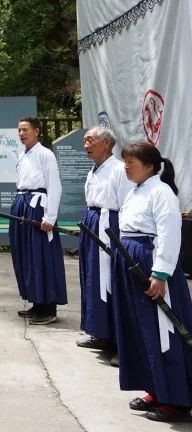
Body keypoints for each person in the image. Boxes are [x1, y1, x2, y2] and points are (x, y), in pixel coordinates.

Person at [114, 143, 192, 423]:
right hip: (130, 260)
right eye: (125, 161)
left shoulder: (161, 192)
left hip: (151, 265)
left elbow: (170, 235)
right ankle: (155, 388)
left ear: (149, 165)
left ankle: (177, 400)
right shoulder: (137, 190)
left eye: (131, 161)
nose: (125, 166)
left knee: (164, 331)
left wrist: (160, 274)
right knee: (140, 327)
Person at [77, 126, 131, 356]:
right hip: (93, 223)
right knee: (92, 278)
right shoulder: (94, 170)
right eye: (85, 141)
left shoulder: (119, 170)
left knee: (111, 280)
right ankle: (101, 333)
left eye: (91, 141)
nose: (86, 145)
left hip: (110, 226)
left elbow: (127, 204)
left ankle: (121, 342)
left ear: (107, 145)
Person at [9, 117, 67, 325]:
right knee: (26, 255)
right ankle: (36, 301)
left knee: (41, 255)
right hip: (23, 202)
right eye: (19, 130)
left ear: (37, 131)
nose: (21, 134)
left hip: (38, 207)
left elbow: (54, 186)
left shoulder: (45, 154)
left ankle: (48, 307)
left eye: (25, 129)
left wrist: (50, 216)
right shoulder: (22, 154)